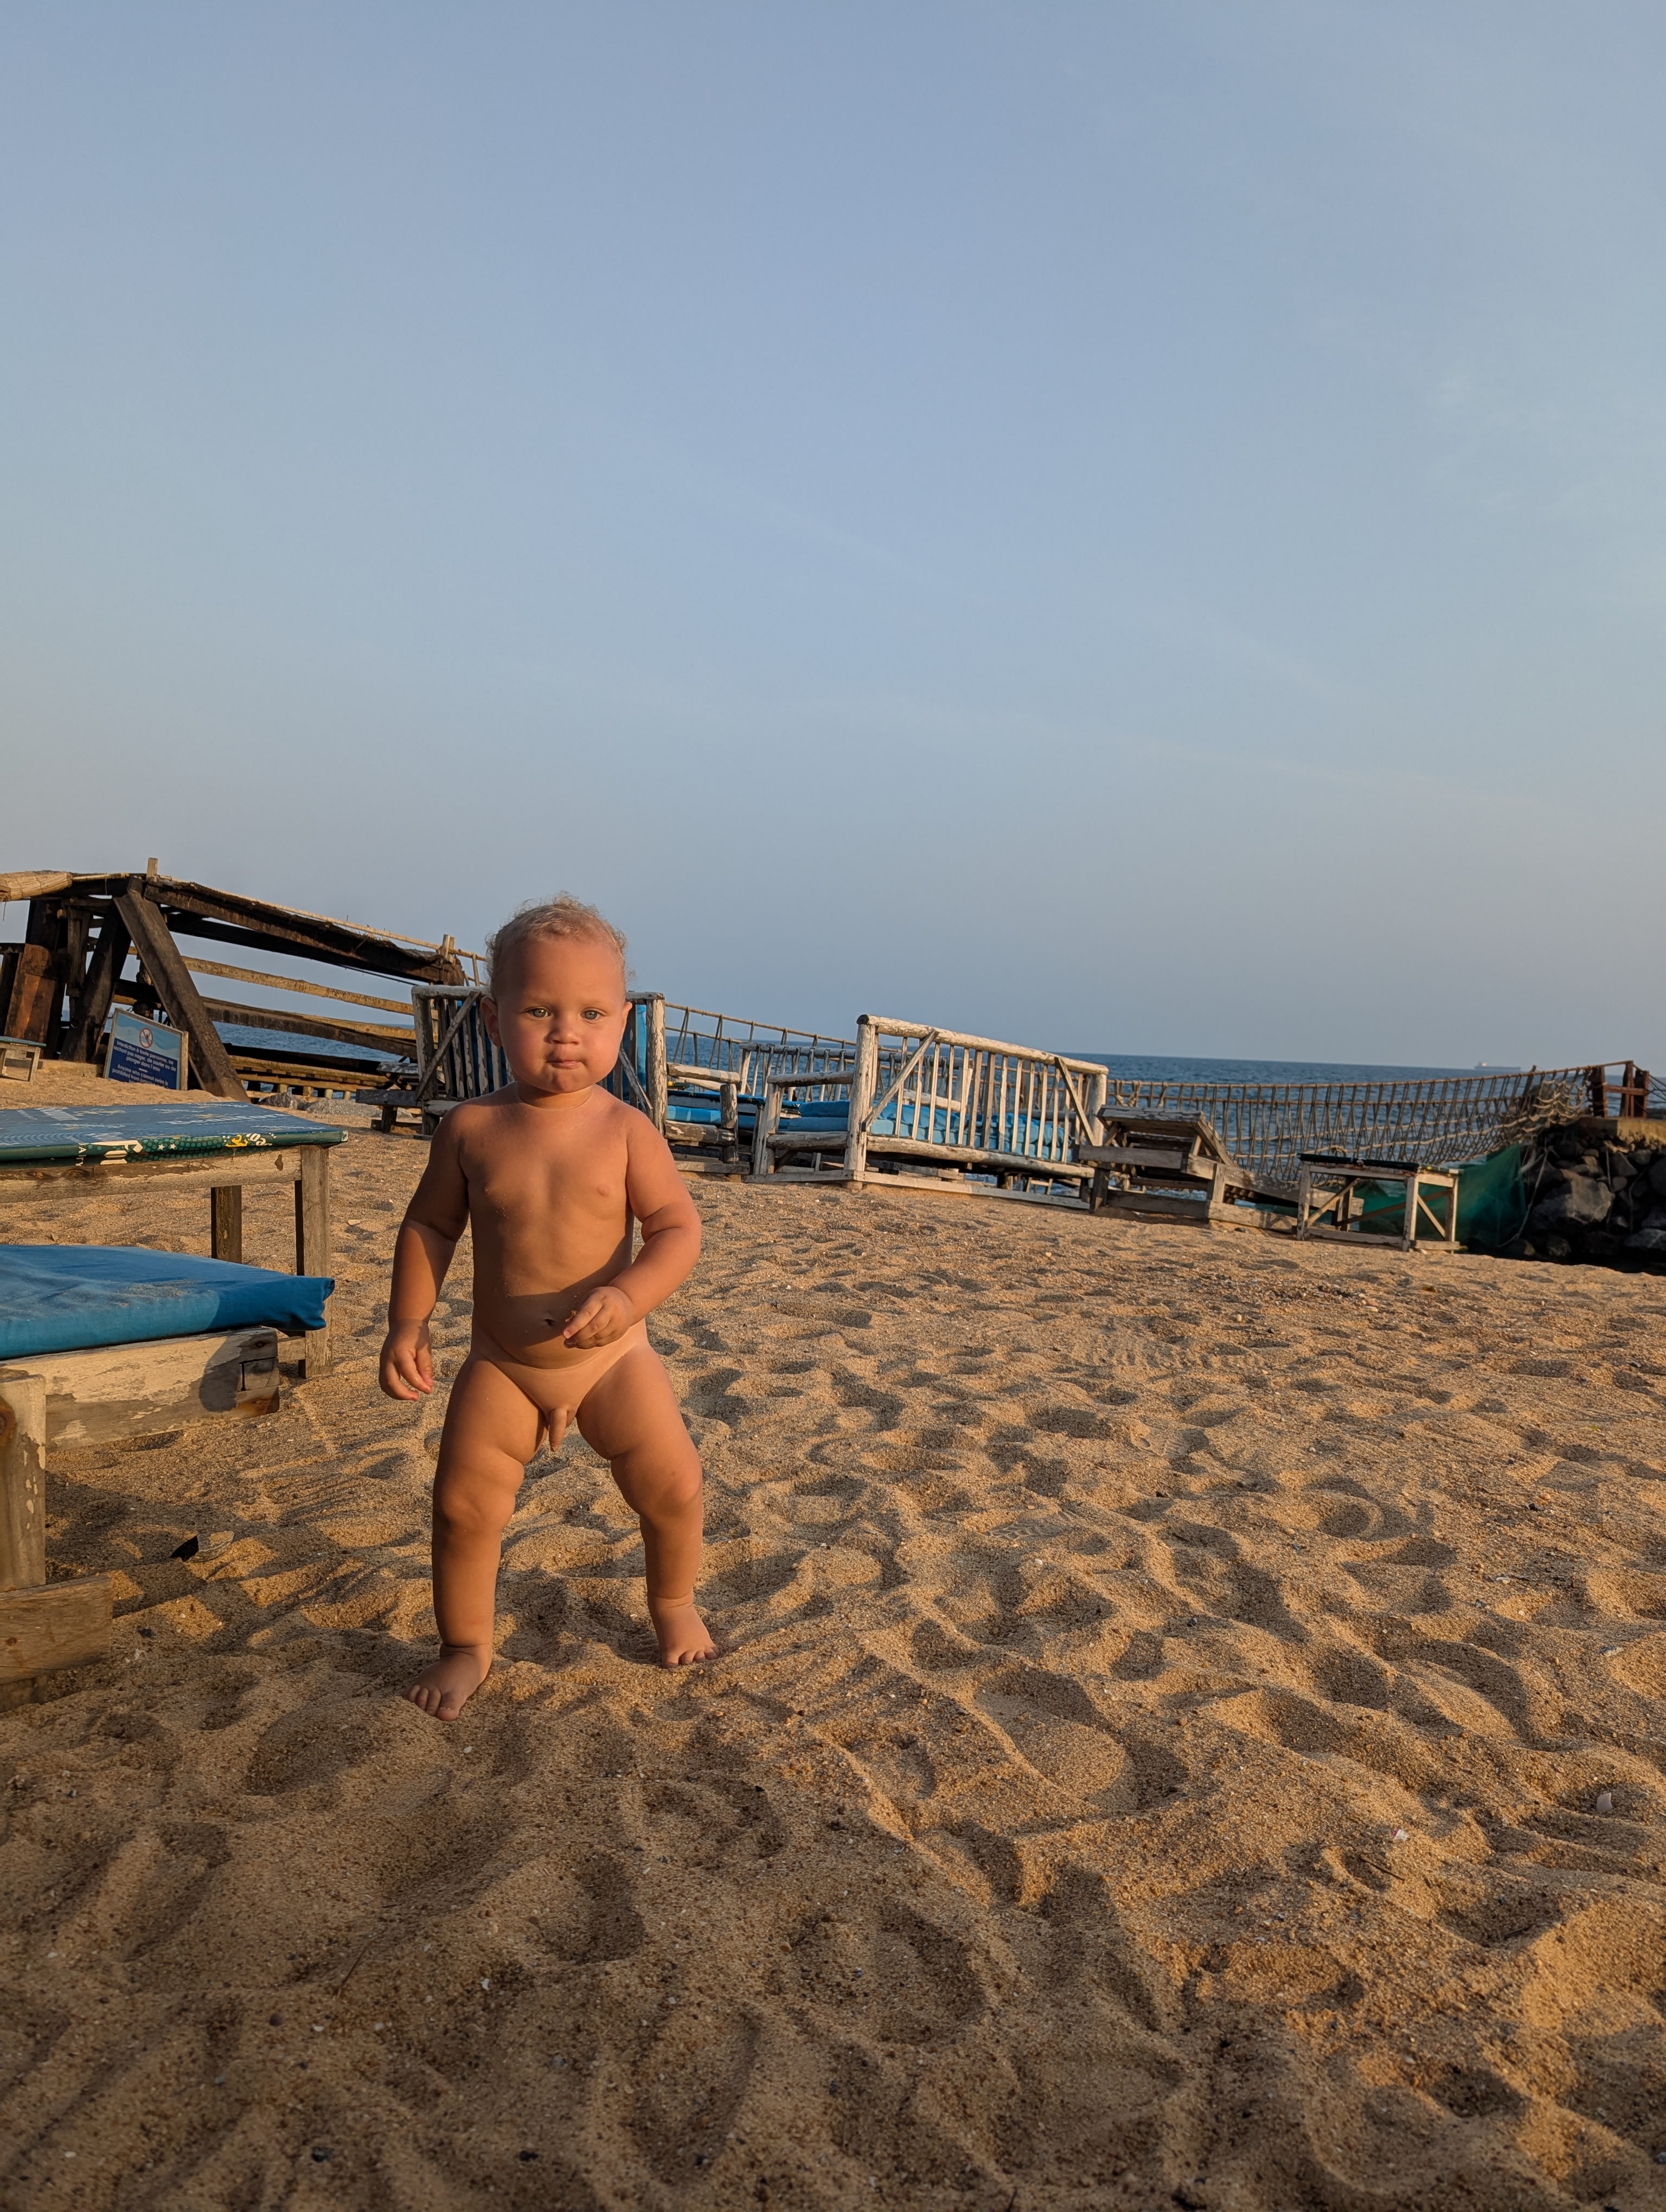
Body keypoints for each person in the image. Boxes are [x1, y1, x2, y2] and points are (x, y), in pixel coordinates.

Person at [379, 894, 712, 1719]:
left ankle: (673, 1602)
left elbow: (677, 1231)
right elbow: (430, 1226)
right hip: (504, 1362)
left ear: (623, 1022)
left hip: (612, 1359)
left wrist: (628, 1295)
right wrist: (408, 1323)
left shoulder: (628, 1131)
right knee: (462, 1509)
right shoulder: (471, 1128)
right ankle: (465, 1647)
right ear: (495, 1021)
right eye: (540, 1011)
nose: (567, 1033)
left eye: (591, 1013)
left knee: (675, 1486)